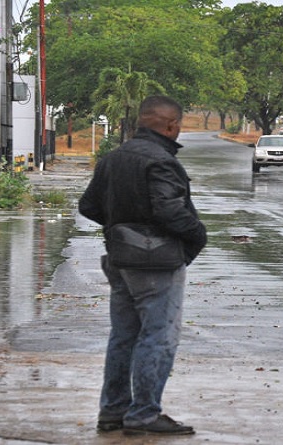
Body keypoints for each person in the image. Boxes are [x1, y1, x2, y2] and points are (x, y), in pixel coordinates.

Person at [78, 95, 207, 436]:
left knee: (123, 336)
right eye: (178, 125)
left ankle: (113, 411)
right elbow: (169, 211)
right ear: (170, 125)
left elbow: (88, 206)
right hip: (156, 264)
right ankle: (145, 414)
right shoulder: (162, 161)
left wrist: (121, 227)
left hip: (120, 259)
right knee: (158, 337)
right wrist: (198, 236)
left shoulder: (112, 158)